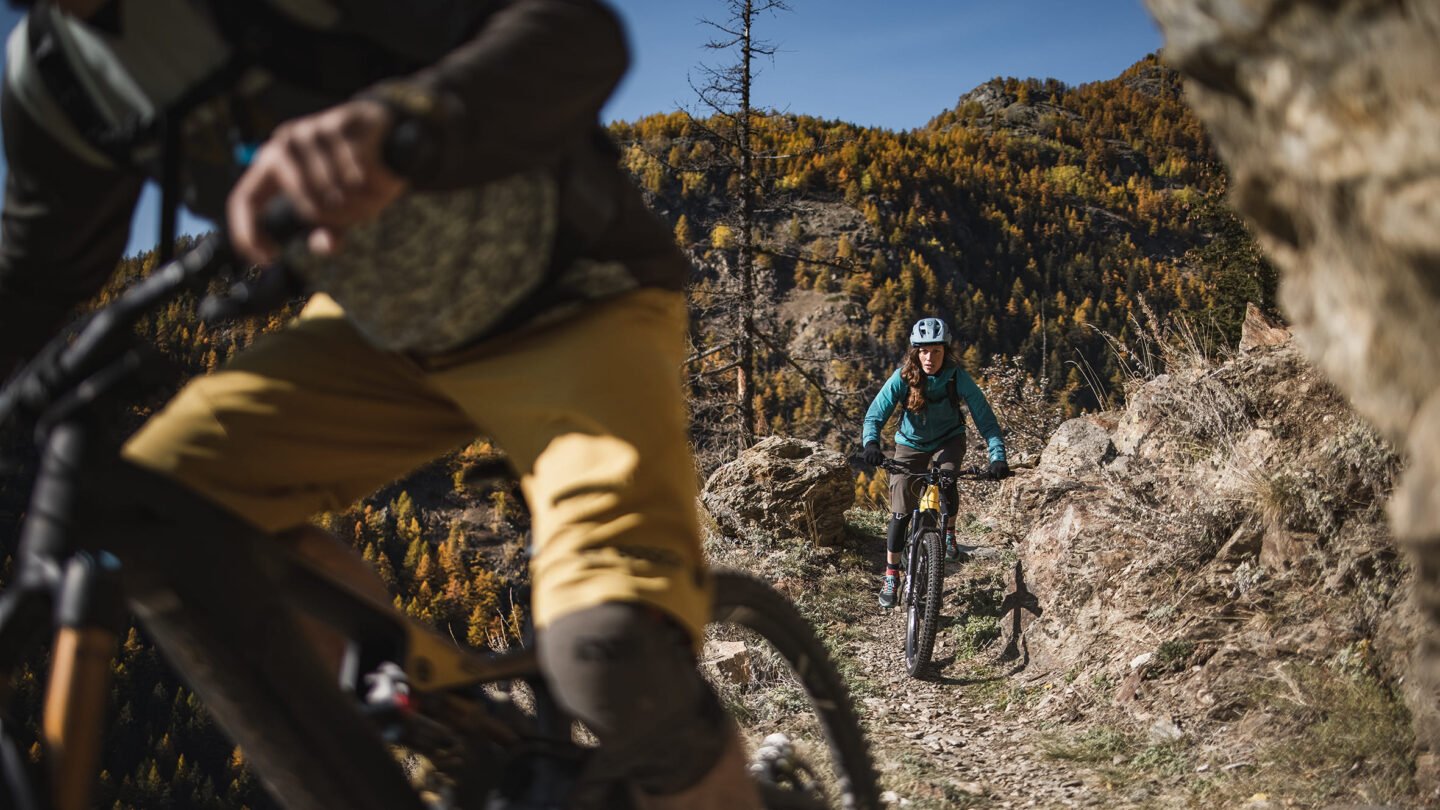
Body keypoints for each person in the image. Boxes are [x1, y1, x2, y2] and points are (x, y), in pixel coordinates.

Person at [0, 1, 759, 807]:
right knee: (158, 511)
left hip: (572, 298)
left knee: (611, 654)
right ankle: (450, 731)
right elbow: (36, 274)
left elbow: (576, 32)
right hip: (381, 334)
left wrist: (403, 117)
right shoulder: (52, 77)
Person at [861, 316, 1009, 608]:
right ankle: (891, 575)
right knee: (901, 511)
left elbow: (986, 420)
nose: (929, 358)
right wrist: (871, 444)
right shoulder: (902, 378)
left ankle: (948, 532)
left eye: (936, 351)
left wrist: (997, 456)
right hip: (910, 443)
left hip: (948, 440)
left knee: (947, 478)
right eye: (924, 351)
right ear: (915, 352)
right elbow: (875, 414)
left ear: (945, 351)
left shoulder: (957, 377)